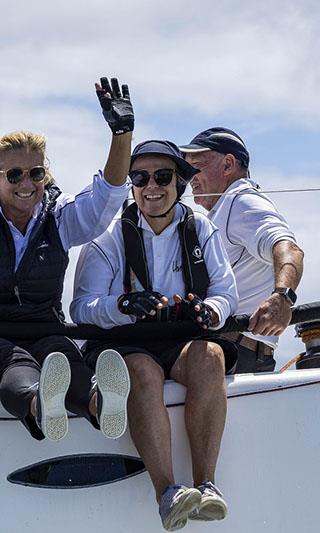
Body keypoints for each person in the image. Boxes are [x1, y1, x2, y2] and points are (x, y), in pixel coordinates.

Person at [0, 78, 132, 443]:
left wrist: (121, 134)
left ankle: (99, 402)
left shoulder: (58, 218)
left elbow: (105, 202)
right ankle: (40, 406)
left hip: (41, 330)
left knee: (64, 356)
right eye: (14, 174)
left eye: (35, 173)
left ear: (46, 176)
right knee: (12, 360)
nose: (26, 183)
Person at [70, 140, 238, 531]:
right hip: (125, 342)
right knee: (143, 373)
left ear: (180, 182)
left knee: (210, 356)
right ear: (131, 185)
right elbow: (82, 307)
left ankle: (208, 485)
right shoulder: (108, 235)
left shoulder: (201, 228)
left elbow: (226, 295)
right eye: (140, 177)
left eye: (162, 176)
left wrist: (210, 312)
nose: (151, 186)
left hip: (181, 341)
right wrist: (123, 306)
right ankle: (167, 493)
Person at [180, 127, 304, 372]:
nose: (189, 177)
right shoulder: (225, 209)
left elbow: (289, 248)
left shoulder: (241, 200)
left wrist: (283, 297)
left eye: (196, 167)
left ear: (228, 164)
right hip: (233, 352)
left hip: (231, 354)